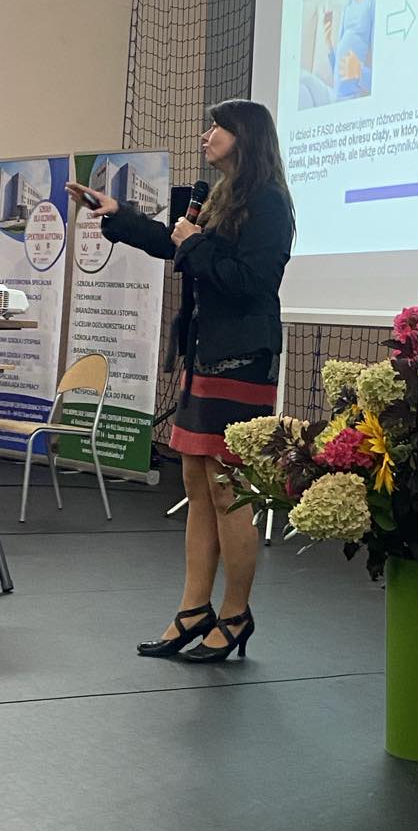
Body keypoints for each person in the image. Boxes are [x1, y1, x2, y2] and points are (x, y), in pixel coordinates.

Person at [66, 100, 294, 663]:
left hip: (242, 359)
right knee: (196, 482)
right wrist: (117, 214)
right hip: (204, 351)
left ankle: (236, 613)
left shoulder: (269, 202)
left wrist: (193, 242)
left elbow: (252, 283)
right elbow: (173, 241)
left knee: (228, 487)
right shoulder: (218, 197)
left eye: (218, 127)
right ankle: (194, 609)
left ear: (246, 138)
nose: (206, 135)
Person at [323, 0, 377, 100]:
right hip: (336, 94)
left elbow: (380, 80)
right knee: (304, 81)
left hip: (352, 97)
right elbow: (338, 69)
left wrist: (359, 71)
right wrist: (329, 45)